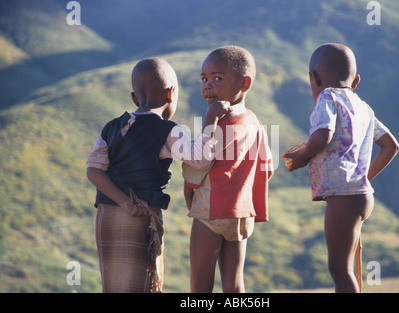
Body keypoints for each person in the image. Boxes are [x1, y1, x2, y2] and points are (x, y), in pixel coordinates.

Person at [86, 57, 230, 293]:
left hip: (106, 217)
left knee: (114, 285)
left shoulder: (111, 127)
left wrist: (122, 201)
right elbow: (201, 159)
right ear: (171, 94)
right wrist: (210, 120)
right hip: (140, 215)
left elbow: (94, 170)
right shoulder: (167, 130)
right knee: (143, 282)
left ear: (134, 97)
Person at [283, 43, 399, 293]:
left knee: (340, 269)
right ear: (355, 81)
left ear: (313, 78)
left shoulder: (328, 97)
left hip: (344, 197)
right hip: (361, 196)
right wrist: (363, 179)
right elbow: (391, 146)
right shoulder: (364, 107)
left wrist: (302, 157)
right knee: (349, 267)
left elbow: (323, 134)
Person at [183, 45, 274, 293]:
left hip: (211, 210)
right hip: (242, 215)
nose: (207, 85)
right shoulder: (255, 123)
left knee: (200, 283)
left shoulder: (219, 122)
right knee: (234, 284)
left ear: (244, 83)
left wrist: (189, 189)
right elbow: (267, 168)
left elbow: (199, 161)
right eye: (204, 79)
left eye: (217, 78)